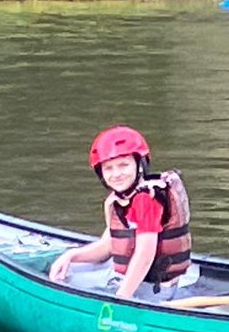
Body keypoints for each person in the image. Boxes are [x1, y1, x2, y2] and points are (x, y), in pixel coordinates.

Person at [48, 125, 193, 302]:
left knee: (65, 282)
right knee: (65, 271)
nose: (116, 174)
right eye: (108, 168)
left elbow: (145, 256)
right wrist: (71, 256)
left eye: (123, 165)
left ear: (139, 165)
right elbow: (107, 247)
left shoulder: (146, 200)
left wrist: (122, 297)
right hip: (139, 283)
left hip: (155, 290)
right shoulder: (119, 200)